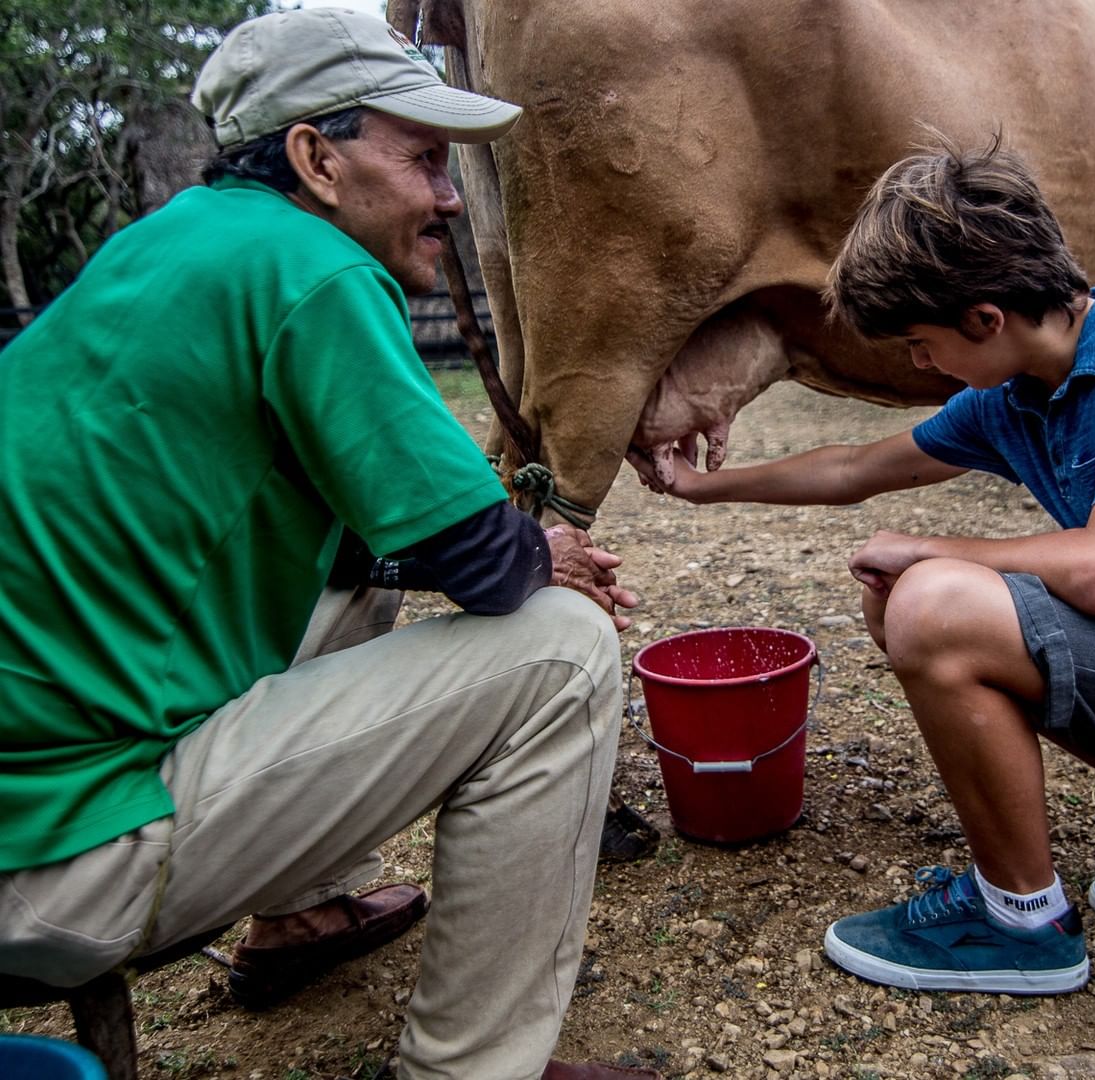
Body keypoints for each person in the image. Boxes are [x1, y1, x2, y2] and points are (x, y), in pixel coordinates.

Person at [0, 9, 656, 1079]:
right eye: (425, 160)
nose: (449, 195)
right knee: (558, 649)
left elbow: (392, 544)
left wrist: (503, 546)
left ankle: (302, 916)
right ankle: (471, 1068)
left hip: (27, 788)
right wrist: (549, 555)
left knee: (360, 579)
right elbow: (488, 565)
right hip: (61, 848)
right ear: (316, 157)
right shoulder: (318, 268)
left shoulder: (168, 241)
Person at [628, 139, 1095, 995]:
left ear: (985, 320)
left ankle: (1020, 922)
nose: (919, 365)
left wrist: (935, 549)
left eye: (921, 343)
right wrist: (702, 486)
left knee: (935, 605)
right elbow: (854, 469)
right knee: (906, 601)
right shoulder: (1018, 395)